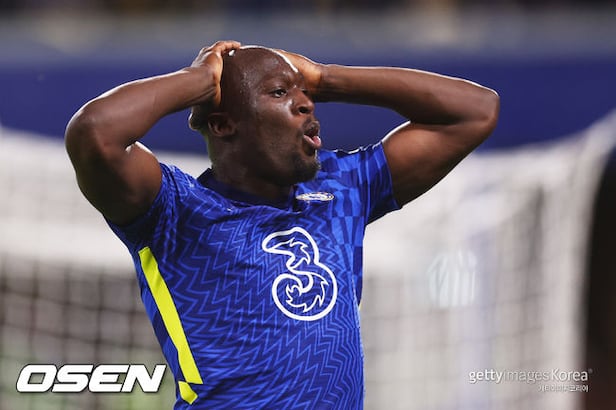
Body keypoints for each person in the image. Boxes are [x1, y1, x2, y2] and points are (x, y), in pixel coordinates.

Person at [65, 40, 499, 409]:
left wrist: (327, 78)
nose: (306, 103)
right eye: (278, 92)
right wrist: (201, 80)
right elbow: (95, 133)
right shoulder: (176, 212)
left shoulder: (342, 189)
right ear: (224, 124)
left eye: (304, 92)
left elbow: (476, 111)